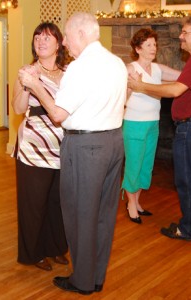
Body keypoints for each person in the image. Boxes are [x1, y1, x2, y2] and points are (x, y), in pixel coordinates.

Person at [18, 12, 127, 295]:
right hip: (114, 142)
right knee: (103, 215)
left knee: (80, 216)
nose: (64, 41)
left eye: (65, 35)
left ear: (81, 34)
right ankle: (96, 276)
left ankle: (82, 281)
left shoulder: (80, 68)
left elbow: (56, 114)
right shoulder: (116, 62)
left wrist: (35, 86)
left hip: (86, 148)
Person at [128, 15, 191, 240]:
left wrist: (141, 86)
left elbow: (176, 90)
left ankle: (188, 228)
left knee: (188, 181)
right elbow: (178, 84)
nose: (180, 36)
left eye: (185, 33)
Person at [12, 22, 68, 271]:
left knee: (58, 202)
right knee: (33, 203)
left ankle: (55, 247)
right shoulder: (26, 71)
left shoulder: (68, 73)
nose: (41, 41)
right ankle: (33, 253)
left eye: (47, 37)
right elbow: (17, 109)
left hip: (64, 147)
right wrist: (27, 84)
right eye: (37, 37)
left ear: (58, 43)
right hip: (34, 147)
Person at [122, 28, 180, 224]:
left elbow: (182, 76)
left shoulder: (157, 69)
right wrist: (131, 86)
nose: (153, 48)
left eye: (154, 44)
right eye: (148, 45)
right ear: (138, 48)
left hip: (153, 124)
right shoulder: (130, 69)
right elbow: (122, 98)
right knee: (134, 165)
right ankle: (130, 204)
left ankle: (137, 201)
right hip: (134, 124)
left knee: (146, 166)